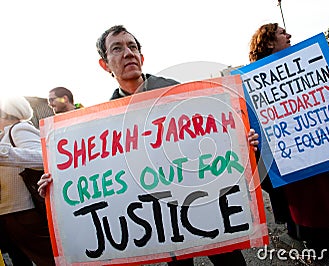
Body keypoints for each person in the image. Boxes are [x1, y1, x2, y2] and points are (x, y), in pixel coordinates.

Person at [39, 25, 260, 266]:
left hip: (203, 201)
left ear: (142, 57)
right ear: (105, 64)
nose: (128, 53)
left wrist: (241, 143)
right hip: (160, 218)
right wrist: (57, 189)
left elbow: (214, 131)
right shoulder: (104, 121)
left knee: (228, 258)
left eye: (132, 47)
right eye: (117, 48)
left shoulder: (176, 89)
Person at [248, 23, 329, 252]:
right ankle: (310, 236)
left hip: (312, 145)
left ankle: (320, 232)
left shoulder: (305, 65)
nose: (289, 35)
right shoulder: (253, 79)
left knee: (321, 194)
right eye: (282, 33)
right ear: (270, 42)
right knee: (299, 199)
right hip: (285, 154)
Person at [0, 95, 55, 266]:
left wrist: (4, 154)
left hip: (25, 211)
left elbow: (43, 159)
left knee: (49, 260)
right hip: (10, 214)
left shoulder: (19, 129)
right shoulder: (4, 136)